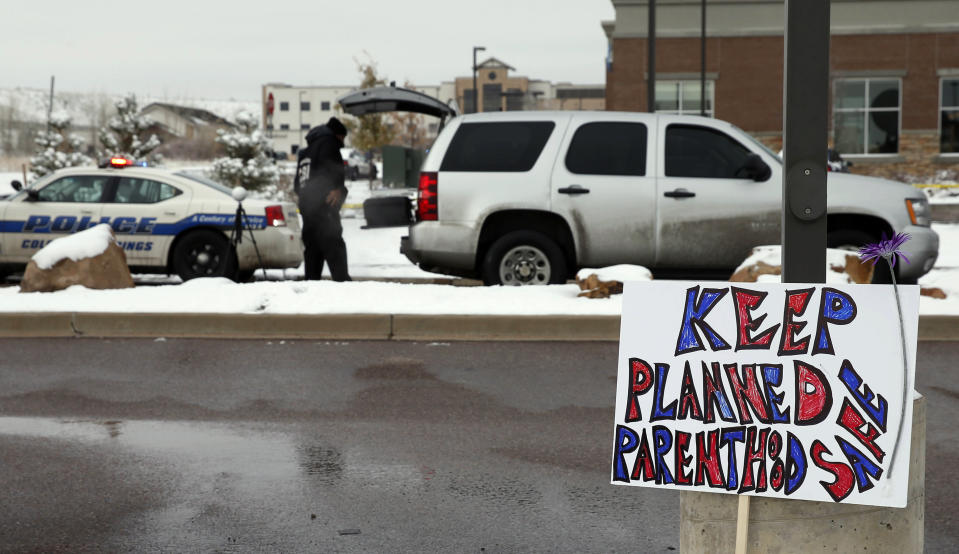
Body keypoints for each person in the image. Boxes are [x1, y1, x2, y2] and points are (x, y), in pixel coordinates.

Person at [294, 117, 352, 281]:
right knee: (335, 250)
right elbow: (334, 170)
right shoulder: (329, 143)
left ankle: (312, 290)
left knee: (313, 254)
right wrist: (339, 189)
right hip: (325, 208)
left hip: (308, 210)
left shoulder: (306, 152)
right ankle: (345, 289)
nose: (342, 142)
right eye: (342, 138)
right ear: (338, 135)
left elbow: (297, 185)